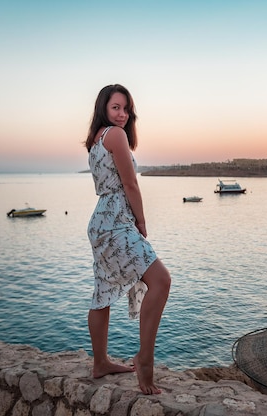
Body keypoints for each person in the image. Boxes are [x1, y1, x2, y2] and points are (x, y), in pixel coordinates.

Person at [84, 84, 171, 395]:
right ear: (103, 109)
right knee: (161, 280)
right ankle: (144, 360)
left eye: (125, 108)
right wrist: (142, 220)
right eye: (115, 108)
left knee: (102, 292)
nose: (122, 114)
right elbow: (131, 184)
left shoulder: (95, 140)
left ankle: (100, 362)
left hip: (100, 222)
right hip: (116, 221)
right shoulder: (115, 136)